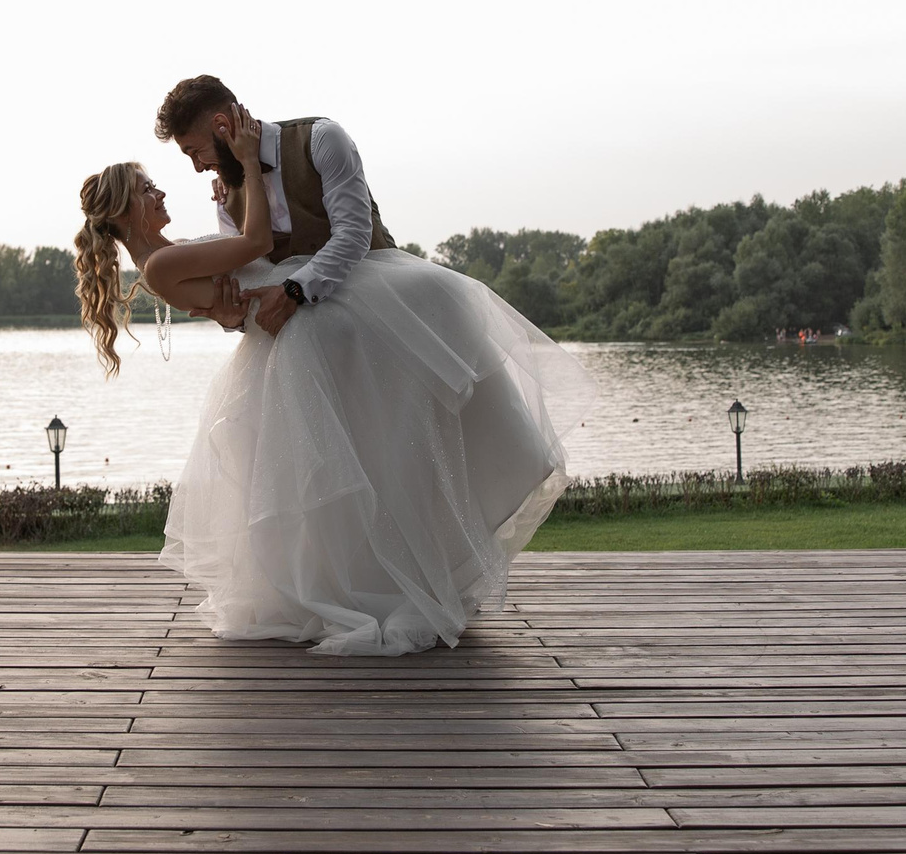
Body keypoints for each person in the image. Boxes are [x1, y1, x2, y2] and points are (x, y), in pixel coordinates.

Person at [72, 79, 594, 656]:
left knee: (401, 461)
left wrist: (278, 293)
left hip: (376, 314)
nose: (195, 169)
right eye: (156, 182)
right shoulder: (216, 205)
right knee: (342, 480)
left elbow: (350, 234)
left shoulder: (321, 140)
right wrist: (232, 299)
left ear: (222, 126)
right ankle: (370, 590)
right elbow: (248, 262)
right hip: (304, 348)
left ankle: (412, 580)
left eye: (195, 150)